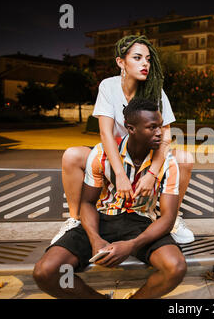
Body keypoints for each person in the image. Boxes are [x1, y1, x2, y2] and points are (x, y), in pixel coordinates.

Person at [33, 98, 187, 299]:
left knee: (175, 267)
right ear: (131, 129)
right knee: (46, 272)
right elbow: (87, 202)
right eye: (152, 127)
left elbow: (167, 219)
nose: (161, 133)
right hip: (102, 219)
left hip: (141, 222)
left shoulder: (167, 162)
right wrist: (95, 239)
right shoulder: (101, 154)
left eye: (160, 126)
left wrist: (131, 245)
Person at [52, 35, 194, 245]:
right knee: (72, 155)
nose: (145, 63)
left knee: (185, 159)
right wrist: (119, 174)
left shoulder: (156, 91)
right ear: (121, 62)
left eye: (148, 59)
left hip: (146, 156)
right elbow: (106, 133)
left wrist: (153, 174)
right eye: (137, 58)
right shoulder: (108, 87)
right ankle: (75, 220)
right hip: (115, 154)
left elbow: (165, 136)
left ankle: (170, 220)